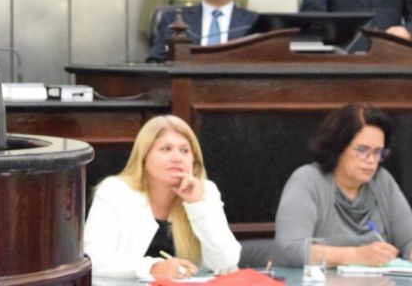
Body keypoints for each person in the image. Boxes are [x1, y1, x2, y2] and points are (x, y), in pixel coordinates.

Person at [84, 115, 240, 280]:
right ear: (144, 156)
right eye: (166, 149)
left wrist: (197, 205)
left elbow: (226, 263)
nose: (177, 158)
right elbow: (94, 258)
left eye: (184, 151)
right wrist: (152, 268)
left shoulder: (204, 191)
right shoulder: (115, 191)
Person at [274, 104, 412, 267]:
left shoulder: (382, 181)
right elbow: (290, 250)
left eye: (378, 152)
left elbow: (408, 239)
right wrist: (356, 255)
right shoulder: (308, 180)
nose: (371, 160)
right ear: (338, 146)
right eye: (363, 150)